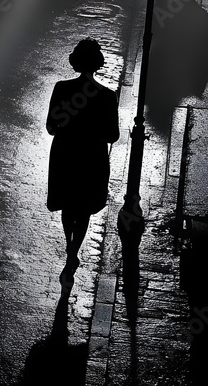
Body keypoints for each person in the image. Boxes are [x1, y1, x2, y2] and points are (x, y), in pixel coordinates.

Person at [45, 39, 120, 290]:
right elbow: (113, 136)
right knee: (84, 207)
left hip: (66, 154)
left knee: (68, 204)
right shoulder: (108, 96)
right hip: (92, 157)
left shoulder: (61, 88)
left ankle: (69, 246)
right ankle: (73, 250)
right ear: (97, 64)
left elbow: (51, 127)